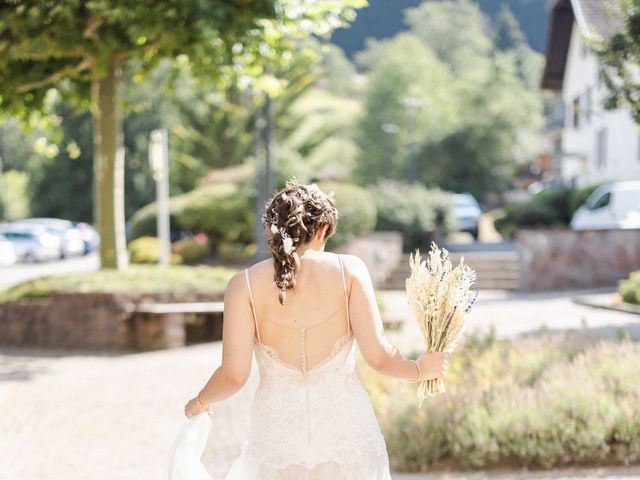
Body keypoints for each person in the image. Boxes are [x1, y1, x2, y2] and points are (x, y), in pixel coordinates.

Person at [182, 179, 448, 479]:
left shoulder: (242, 285)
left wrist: (201, 400)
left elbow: (233, 375)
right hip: (346, 437)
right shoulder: (349, 270)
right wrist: (418, 369)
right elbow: (379, 357)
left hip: (277, 439)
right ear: (322, 229)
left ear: (273, 231)